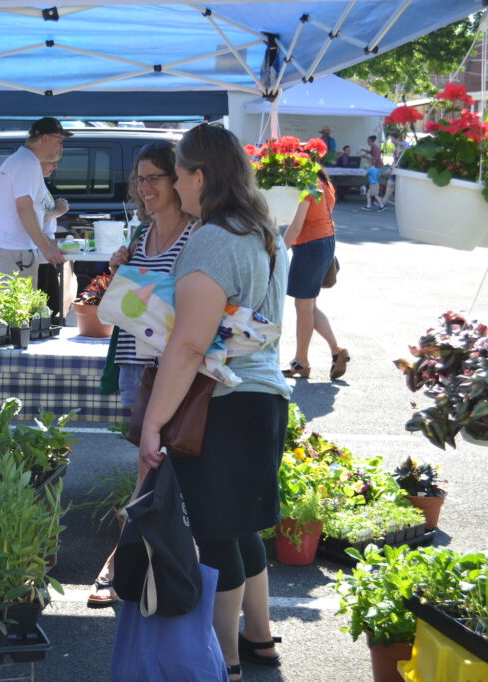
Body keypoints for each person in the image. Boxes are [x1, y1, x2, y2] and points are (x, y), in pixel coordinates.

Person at [138, 124, 289, 681]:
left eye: (177, 175)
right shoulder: (260, 230)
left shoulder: (211, 239)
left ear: (200, 175)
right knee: (241, 526)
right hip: (264, 398)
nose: (176, 186)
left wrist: (153, 424)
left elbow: (189, 346)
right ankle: (259, 639)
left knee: (217, 534)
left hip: (222, 405)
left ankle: (223, 663)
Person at [88, 140, 195, 608]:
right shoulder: (142, 236)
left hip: (178, 365)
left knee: (169, 463)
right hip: (137, 361)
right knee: (148, 460)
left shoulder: (198, 235)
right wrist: (119, 271)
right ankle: (143, 556)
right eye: (140, 179)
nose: (145, 187)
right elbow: (130, 305)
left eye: (154, 177)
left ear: (178, 179)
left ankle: (126, 558)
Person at [280, 168, 350, 382]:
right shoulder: (325, 184)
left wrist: (279, 253)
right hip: (325, 242)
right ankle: (336, 350)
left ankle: (301, 361)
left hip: (310, 246)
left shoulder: (307, 186)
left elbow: (295, 227)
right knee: (308, 306)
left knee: (303, 307)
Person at [0, 117, 70, 284]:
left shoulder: (24, 160)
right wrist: (46, 248)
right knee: (18, 309)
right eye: (59, 141)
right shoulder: (27, 162)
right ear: (45, 138)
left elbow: (31, 212)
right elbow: (24, 208)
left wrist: (50, 244)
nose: (61, 147)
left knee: (21, 308)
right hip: (12, 250)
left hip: (12, 249)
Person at [36, 159, 71, 315]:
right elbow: (33, 217)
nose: (55, 166)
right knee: (44, 304)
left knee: (53, 305)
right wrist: (59, 210)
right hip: (39, 251)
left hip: (45, 250)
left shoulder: (41, 183)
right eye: (50, 162)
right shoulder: (32, 185)